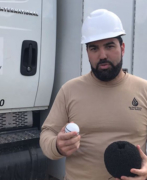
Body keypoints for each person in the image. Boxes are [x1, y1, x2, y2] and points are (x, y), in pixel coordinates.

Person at [40, 9, 147, 180]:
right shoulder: (70, 90)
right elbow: (47, 134)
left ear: (122, 48)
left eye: (109, 46)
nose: (102, 55)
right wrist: (57, 145)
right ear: (88, 53)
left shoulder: (144, 90)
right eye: (94, 48)